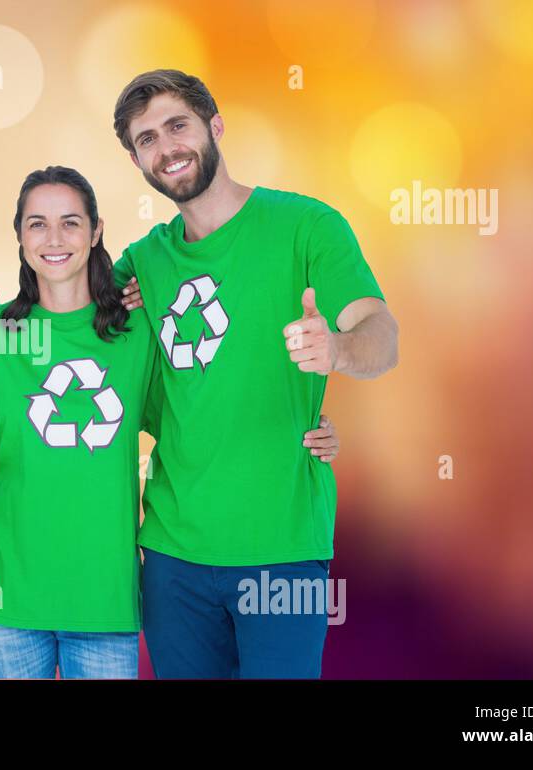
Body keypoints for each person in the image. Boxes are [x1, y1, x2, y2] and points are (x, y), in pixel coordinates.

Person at [0, 166, 341, 679]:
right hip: (4, 590)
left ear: (96, 232)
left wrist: (303, 426)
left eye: (71, 223)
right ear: (19, 236)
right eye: (37, 224)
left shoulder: (138, 331)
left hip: (106, 599)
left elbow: (197, 406)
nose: (54, 239)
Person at [112, 69, 398, 679]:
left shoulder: (306, 227)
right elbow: (66, 343)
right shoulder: (140, 264)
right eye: (146, 140)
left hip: (282, 548)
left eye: (177, 126)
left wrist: (339, 351)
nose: (167, 148)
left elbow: (380, 332)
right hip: (171, 555)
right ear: (136, 160)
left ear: (215, 126)